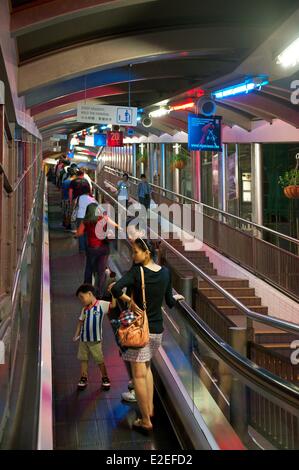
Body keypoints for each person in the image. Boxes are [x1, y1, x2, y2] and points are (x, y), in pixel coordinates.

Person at [110, 238, 184, 432]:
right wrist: (177, 298)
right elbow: (169, 301)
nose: (133, 255)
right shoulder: (166, 273)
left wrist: (130, 302)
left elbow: (116, 288)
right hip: (156, 331)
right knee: (147, 368)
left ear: (147, 253)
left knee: (139, 375)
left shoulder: (137, 272)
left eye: (136, 252)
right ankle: (149, 409)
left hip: (138, 332)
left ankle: (145, 420)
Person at [73, 283, 115, 391]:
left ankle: (105, 377)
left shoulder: (101, 305)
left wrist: (113, 293)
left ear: (90, 294)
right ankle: (83, 377)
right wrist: (77, 334)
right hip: (83, 339)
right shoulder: (84, 309)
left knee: (99, 359)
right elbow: (80, 321)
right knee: (83, 359)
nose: (81, 300)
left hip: (95, 340)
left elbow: (113, 306)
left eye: (82, 297)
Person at [76, 203, 121, 297]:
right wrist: (116, 227)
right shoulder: (102, 218)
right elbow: (114, 224)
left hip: (91, 249)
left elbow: (79, 233)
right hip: (103, 249)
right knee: (101, 272)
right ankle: (99, 294)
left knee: (88, 269)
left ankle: (86, 291)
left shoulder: (86, 221)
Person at [69, 170, 92, 253]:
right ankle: (88, 247)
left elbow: (70, 192)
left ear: (77, 175)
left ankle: (82, 249)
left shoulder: (73, 181)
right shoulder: (86, 182)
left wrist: (71, 201)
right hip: (88, 215)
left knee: (80, 231)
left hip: (79, 214)